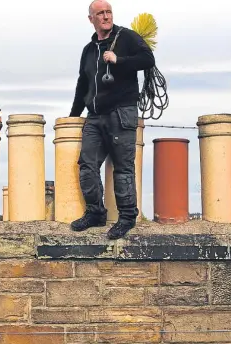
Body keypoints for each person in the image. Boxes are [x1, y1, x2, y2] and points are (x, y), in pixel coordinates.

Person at [69, 0, 155, 240]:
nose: (105, 16)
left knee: (123, 168)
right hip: (94, 116)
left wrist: (120, 61)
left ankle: (127, 218)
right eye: (100, 13)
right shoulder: (88, 50)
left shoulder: (127, 37)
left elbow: (148, 59)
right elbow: (82, 84)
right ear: (91, 19)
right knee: (86, 165)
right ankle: (95, 213)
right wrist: (74, 116)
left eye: (108, 12)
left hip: (121, 112)